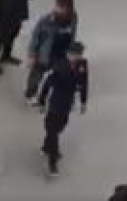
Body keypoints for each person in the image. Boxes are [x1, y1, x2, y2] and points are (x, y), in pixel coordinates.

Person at [38, 41, 89, 177]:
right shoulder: (59, 66)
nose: (75, 57)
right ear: (68, 54)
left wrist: (83, 101)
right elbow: (47, 84)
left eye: (78, 54)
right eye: (73, 54)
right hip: (56, 103)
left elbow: (84, 82)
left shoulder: (83, 64)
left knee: (59, 128)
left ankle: (46, 146)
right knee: (53, 131)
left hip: (67, 103)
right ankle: (53, 162)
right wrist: (41, 101)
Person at [25, 0, 78, 104]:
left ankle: (62, 95)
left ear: (68, 8)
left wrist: (72, 51)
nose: (58, 9)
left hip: (62, 54)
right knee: (36, 75)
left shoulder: (73, 18)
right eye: (58, 5)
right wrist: (32, 55)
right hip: (45, 54)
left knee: (62, 75)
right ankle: (30, 94)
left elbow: (73, 34)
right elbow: (36, 37)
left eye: (61, 7)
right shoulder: (47, 20)